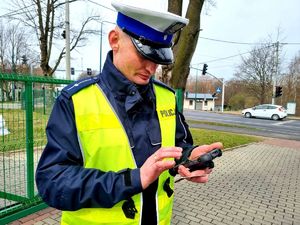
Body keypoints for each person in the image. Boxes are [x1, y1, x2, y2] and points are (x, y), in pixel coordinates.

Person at [35, 1, 223, 225]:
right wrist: (134, 179)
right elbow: (53, 183)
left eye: (157, 59)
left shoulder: (167, 97)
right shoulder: (75, 101)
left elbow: (177, 147)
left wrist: (189, 158)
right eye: (144, 56)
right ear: (115, 40)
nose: (151, 68)